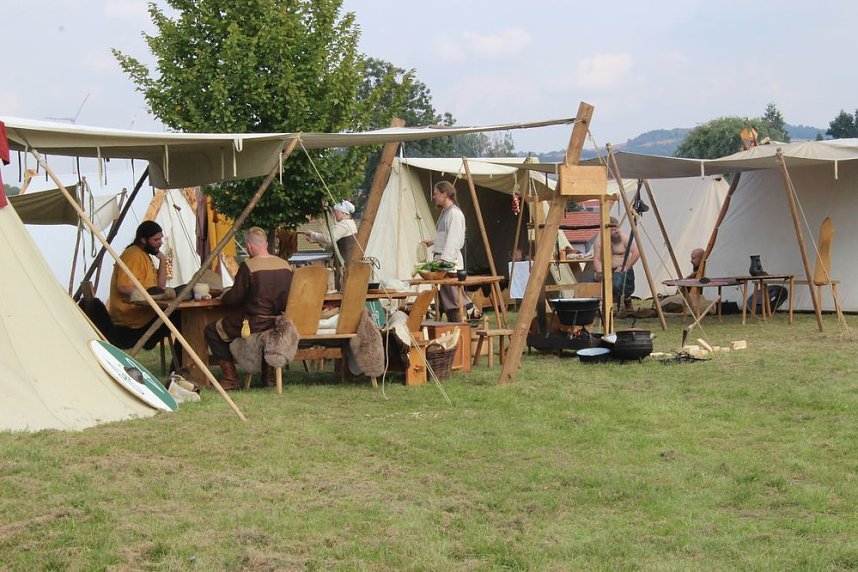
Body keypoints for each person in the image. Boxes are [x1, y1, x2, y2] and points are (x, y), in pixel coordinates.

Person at [204, 227, 293, 390]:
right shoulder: (285, 265)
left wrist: (224, 296)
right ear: (266, 244)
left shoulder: (249, 266)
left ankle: (231, 378)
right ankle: (269, 378)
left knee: (212, 330)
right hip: (280, 324)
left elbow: (235, 298)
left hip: (255, 324)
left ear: (249, 247)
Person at [107, 220, 179, 356]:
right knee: (182, 318)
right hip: (132, 320)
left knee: (179, 313)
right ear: (143, 240)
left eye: (160, 239)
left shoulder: (144, 255)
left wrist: (163, 260)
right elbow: (123, 287)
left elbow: (160, 286)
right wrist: (149, 295)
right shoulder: (133, 255)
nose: (160, 243)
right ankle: (180, 367)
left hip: (143, 314)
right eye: (156, 239)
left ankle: (180, 366)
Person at [421, 180, 466, 322]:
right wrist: (434, 242)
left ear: (444, 194)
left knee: (455, 303)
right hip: (444, 266)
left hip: (450, 266)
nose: (434, 197)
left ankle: (460, 332)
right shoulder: (446, 213)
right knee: (447, 303)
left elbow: (454, 240)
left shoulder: (455, 214)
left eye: (436, 194)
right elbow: (447, 236)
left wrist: (444, 262)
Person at [303, 200, 359, 289]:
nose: (335, 214)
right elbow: (334, 245)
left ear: (343, 212)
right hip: (345, 263)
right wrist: (316, 241)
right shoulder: (350, 223)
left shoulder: (344, 224)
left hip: (345, 263)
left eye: (336, 212)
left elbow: (328, 239)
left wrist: (313, 234)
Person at [593, 216, 640, 311]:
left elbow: (636, 252)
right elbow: (597, 259)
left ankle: (626, 299)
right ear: (606, 231)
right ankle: (602, 306)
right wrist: (600, 272)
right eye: (614, 230)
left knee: (619, 282)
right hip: (608, 270)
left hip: (623, 269)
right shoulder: (599, 242)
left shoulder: (623, 238)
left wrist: (626, 267)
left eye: (617, 228)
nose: (617, 231)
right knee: (589, 279)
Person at [660, 248, 710, 313]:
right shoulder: (694, 274)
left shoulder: (707, 273)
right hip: (689, 298)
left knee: (668, 302)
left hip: (698, 299)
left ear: (702, 259)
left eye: (694, 258)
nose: (691, 261)